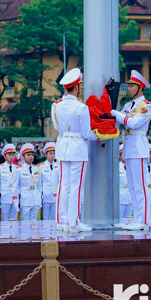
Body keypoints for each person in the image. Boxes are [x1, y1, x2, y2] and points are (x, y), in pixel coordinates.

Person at [53, 69, 99, 231]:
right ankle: (74, 222)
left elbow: (57, 127)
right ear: (77, 87)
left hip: (63, 145)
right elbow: (87, 133)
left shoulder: (56, 106)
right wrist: (99, 135)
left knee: (63, 185)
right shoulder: (81, 107)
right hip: (78, 147)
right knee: (76, 186)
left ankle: (62, 220)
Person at [111, 70, 151, 231]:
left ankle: (143, 220)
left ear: (140, 87)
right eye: (128, 86)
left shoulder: (145, 106)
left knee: (140, 185)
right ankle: (138, 219)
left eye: (132, 86)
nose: (129, 89)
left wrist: (115, 113)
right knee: (133, 186)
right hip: (129, 148)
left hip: (138, 147)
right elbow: (118, 121)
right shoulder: (129, 105)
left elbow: (133, 123)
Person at [17, 143, 43, 221]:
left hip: (35, 197)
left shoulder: (37, 169)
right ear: (23, 156)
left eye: (32, 155)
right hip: (25, 198)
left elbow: (39, 186)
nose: (30, 157)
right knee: (25, 222)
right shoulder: (19, 170)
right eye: (28, 155)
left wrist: (40, 197)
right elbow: (16, 187)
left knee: (34, 221)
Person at [0, 145, 20, 221]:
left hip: (15, 196)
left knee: (14, 219)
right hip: (5, 196)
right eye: (9, 155)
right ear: (5, 156)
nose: (11, 157)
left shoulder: (17, 168)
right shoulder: (0, 168)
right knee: (5, 219)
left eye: (13, 155)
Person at [40, 142, 59, 223]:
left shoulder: (59, 166)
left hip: (55, 194)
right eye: (50, 153)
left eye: (54, 153)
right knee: (45, 217)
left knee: (54, 217)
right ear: (46, 154)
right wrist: (40, 195)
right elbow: (39, 183)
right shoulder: (41, 166)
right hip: (46, 194)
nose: (52, 155)